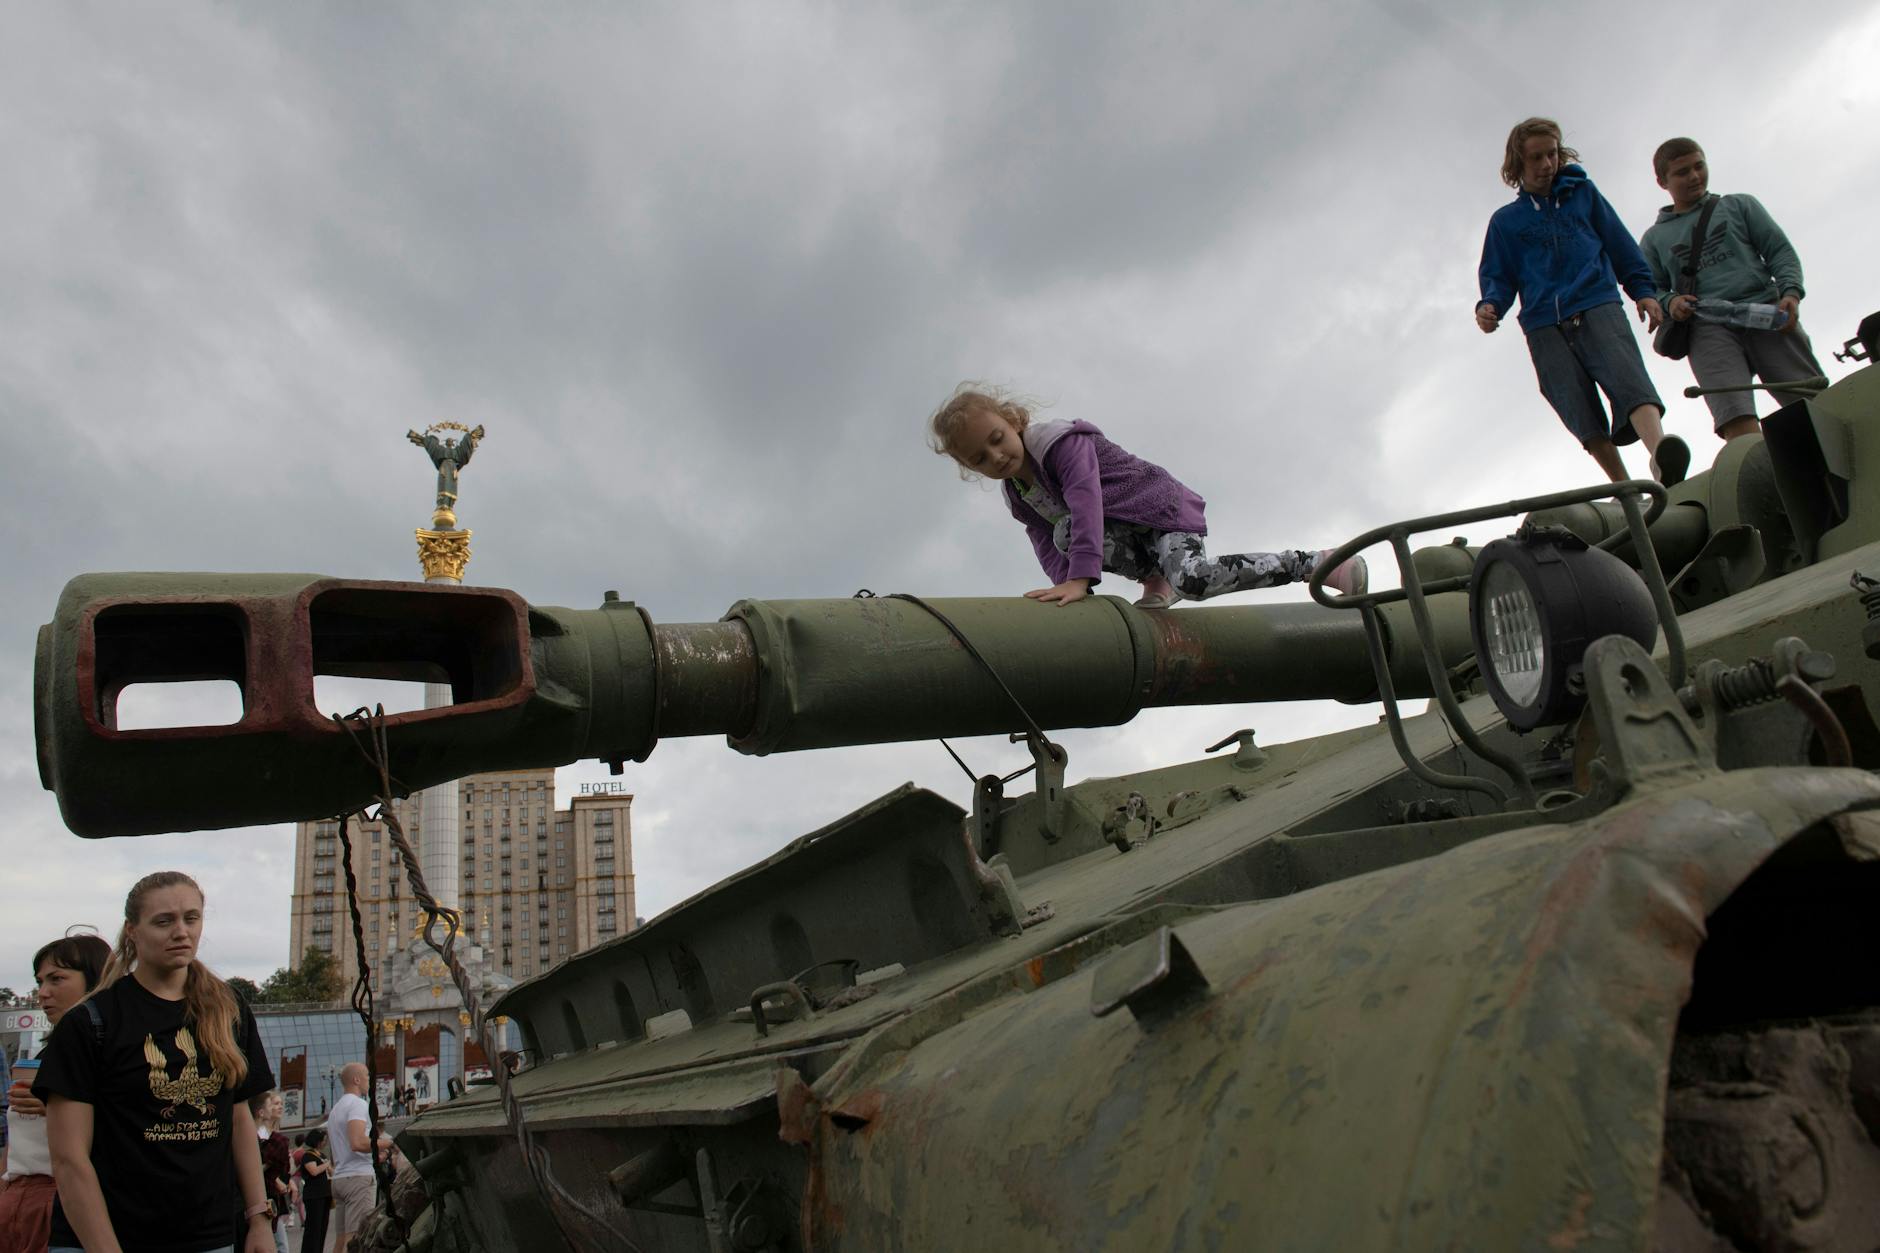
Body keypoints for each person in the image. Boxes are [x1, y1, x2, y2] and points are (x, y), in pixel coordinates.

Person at [927, 386, 1368, 609]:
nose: (996, 456)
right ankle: (1156, 576)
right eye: (979, 458)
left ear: (1011, 418)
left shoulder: (1057, 443)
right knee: (1060, 533)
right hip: (1130, 534)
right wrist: (1069, 590)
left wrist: (1081, 579)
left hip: (1161, 512)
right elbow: (1047, 543)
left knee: (1194, 581)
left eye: (997, 438)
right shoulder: (1020, 495)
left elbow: (1086, 501)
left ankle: (1321, 562)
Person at [33, 872, 275, 1253]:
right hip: (103, 1238)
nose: (181, 931)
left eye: (191, 918)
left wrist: (259, 1218)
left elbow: (239, 1117)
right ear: (132, 930)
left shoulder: (229, 1009)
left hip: (206, 1238)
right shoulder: (91, 1022)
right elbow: (69, 1160)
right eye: (164, 921)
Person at [1476, 117, 1686, 486]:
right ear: (1518, 163)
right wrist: (1489, 306)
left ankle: (1660, 454)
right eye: (1536, 157)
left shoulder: (1583, 194)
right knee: (1576, 405)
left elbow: (1620, 245)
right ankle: (1625, 487)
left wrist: (1644, 292)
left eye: (1552, 154)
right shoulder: (1505, 222)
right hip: (1544, 323)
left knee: (1628, 377)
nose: (1546, 164)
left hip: (1596, 301)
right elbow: (1498, 275)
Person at [1638, 138, 1825, 441]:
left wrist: (1790, 293)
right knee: (1736, 419)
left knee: (1812, 403)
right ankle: (1766, 481)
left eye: (1699, 166)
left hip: (1767, 312)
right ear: (1662, 181)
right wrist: (1671, 301)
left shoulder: (1739, 205)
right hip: (1707, 328)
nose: (1695, 176)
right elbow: (1649, 286)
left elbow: (1779, 251)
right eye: (1682, 172)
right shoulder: (1654, 238)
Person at [0, 933, 112, 1253]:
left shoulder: (111, 1055)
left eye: (57, 979)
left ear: (95, 980)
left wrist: (57, 1107)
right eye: (40, 982)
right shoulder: (45, 1056)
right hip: (18, 1195)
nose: (43, 993)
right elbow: (17, 1139)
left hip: (62, 1199)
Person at [325, 1062, 388, 1253]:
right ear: (356, 1079)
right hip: (358, 1179)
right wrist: (388, 1143)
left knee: (342, 1239)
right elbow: (357, 1142)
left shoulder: (336, 1110)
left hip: (340, 1178)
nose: (370, 1080)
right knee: (357, 1238)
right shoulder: (358, 1104)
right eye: (367, 1076)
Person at [253, 1091, 292, 1253]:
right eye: (275, 1104)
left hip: (272, 1192)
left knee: (279, 1240)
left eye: (280, 1103)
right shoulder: (264, 1135)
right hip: (264, 1193)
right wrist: (277, 1180)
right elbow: (260, 1165)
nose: (280, 1107)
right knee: (279, 1243)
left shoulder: (275, 1135)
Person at [297, 1128, 333, 1253]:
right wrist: (326, 1165)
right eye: (323, 1140)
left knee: (322, 1227)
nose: (325, 1142)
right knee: (313, 1227)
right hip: (314, 1195)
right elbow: (314, 1171)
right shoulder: (308, 1155)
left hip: (325, 1194)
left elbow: (331, 1171)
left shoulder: (322, 1155)